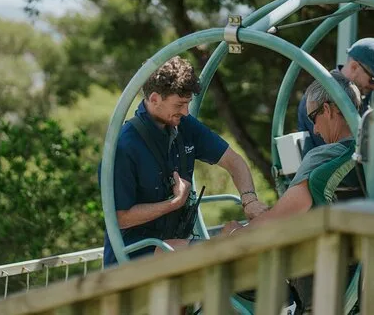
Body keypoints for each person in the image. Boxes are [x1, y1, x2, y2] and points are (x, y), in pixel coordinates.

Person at [101, 56, 268, 267]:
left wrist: (249, 200)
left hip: (173, 244)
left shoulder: (185, 125)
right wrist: (175, 203)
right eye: (179, 104)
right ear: (154, 99)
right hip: (133, 256)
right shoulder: (124, 146)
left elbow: (234, 162)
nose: (186, 112)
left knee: (236, 239)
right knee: (219, 254)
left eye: (187, 104)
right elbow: (120, 217)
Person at [225, 72, 364, 312]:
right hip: (356, 272)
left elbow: (282, 217)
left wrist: (236, 234)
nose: (315, 130)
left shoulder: (323, 157)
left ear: (328, 110)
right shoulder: (369, 155)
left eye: (313, 118)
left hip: (315, 272)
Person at [297, 37, 374, 157]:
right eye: (373, 80)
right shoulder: (318, 97)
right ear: (354, 67)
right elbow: (338, 152)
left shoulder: (363, 95)